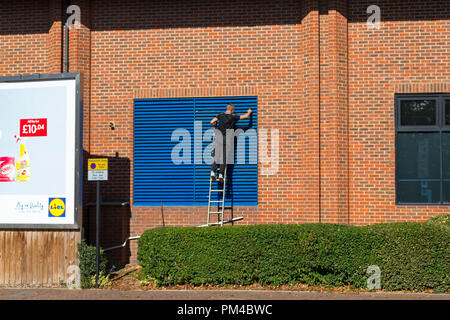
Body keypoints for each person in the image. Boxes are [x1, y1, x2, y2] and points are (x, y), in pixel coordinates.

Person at [210, 103, 252, 183]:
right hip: (227, 139)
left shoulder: (220, 115)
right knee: (224, 157)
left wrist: (215, 126)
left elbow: (212, 121)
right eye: (233, 110)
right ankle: (220, 174)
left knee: (216, 155)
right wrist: (249, 112)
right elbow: (245, 116)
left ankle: (212, 171)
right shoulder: (233, 117)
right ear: (232, 110)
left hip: (218, 137)